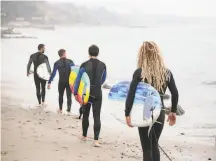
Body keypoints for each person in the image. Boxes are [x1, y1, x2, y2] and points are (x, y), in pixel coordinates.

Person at [125, 41, 179, 161]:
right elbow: (175, 93)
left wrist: (127, 113)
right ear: (157, 54)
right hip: (159, 112)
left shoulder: (140, 72)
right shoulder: (166, 73)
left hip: (144, 113)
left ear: (142, 55)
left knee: (146, 147)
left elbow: (131, 94)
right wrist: (173, 112)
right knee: (154, 144)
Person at [74, 45, 107, 147]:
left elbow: (78, 80)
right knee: (97, 116)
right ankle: (96, 140)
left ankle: (84, 136)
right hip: (97, 92)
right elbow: (103, 79)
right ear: (98, 53)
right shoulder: (103, 65)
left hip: (86, 93)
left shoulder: (84, 65)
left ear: (89, 53)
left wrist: (75, 93)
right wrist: (97, 85)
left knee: (86, 114)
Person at [48, 49, 74, 114]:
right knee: (69, 96)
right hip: (69, 82)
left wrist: (49, 82)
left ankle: (60, 109)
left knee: (60, 95)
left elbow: (53, 73)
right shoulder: (70, 61)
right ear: (64, 54)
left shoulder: (57, 63)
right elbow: (75, 72)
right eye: (65, 53)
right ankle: (69, 110)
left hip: (61, 81)